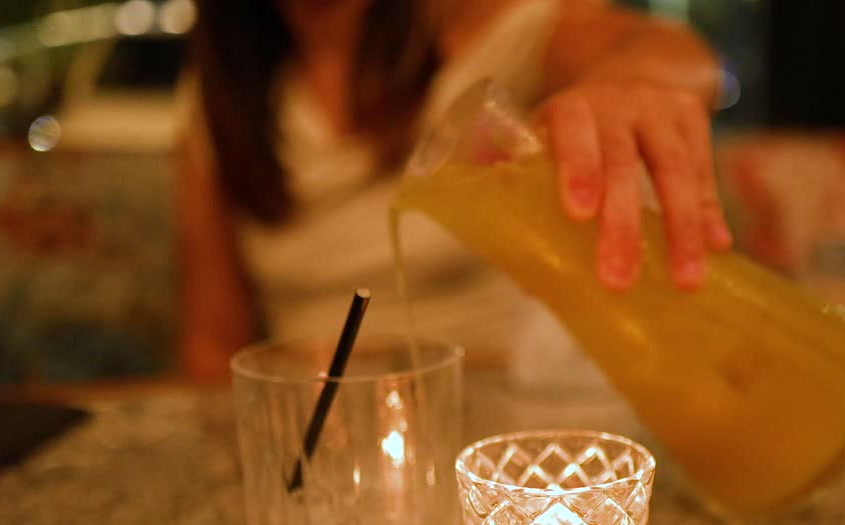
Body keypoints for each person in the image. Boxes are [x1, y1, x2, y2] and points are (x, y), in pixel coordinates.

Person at [178, 0, 728, 381]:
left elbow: (670, 53)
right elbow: (213, 341)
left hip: (507, 428)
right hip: (326, 439)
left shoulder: (490, 38)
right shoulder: (222, 106)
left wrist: (628, 88)